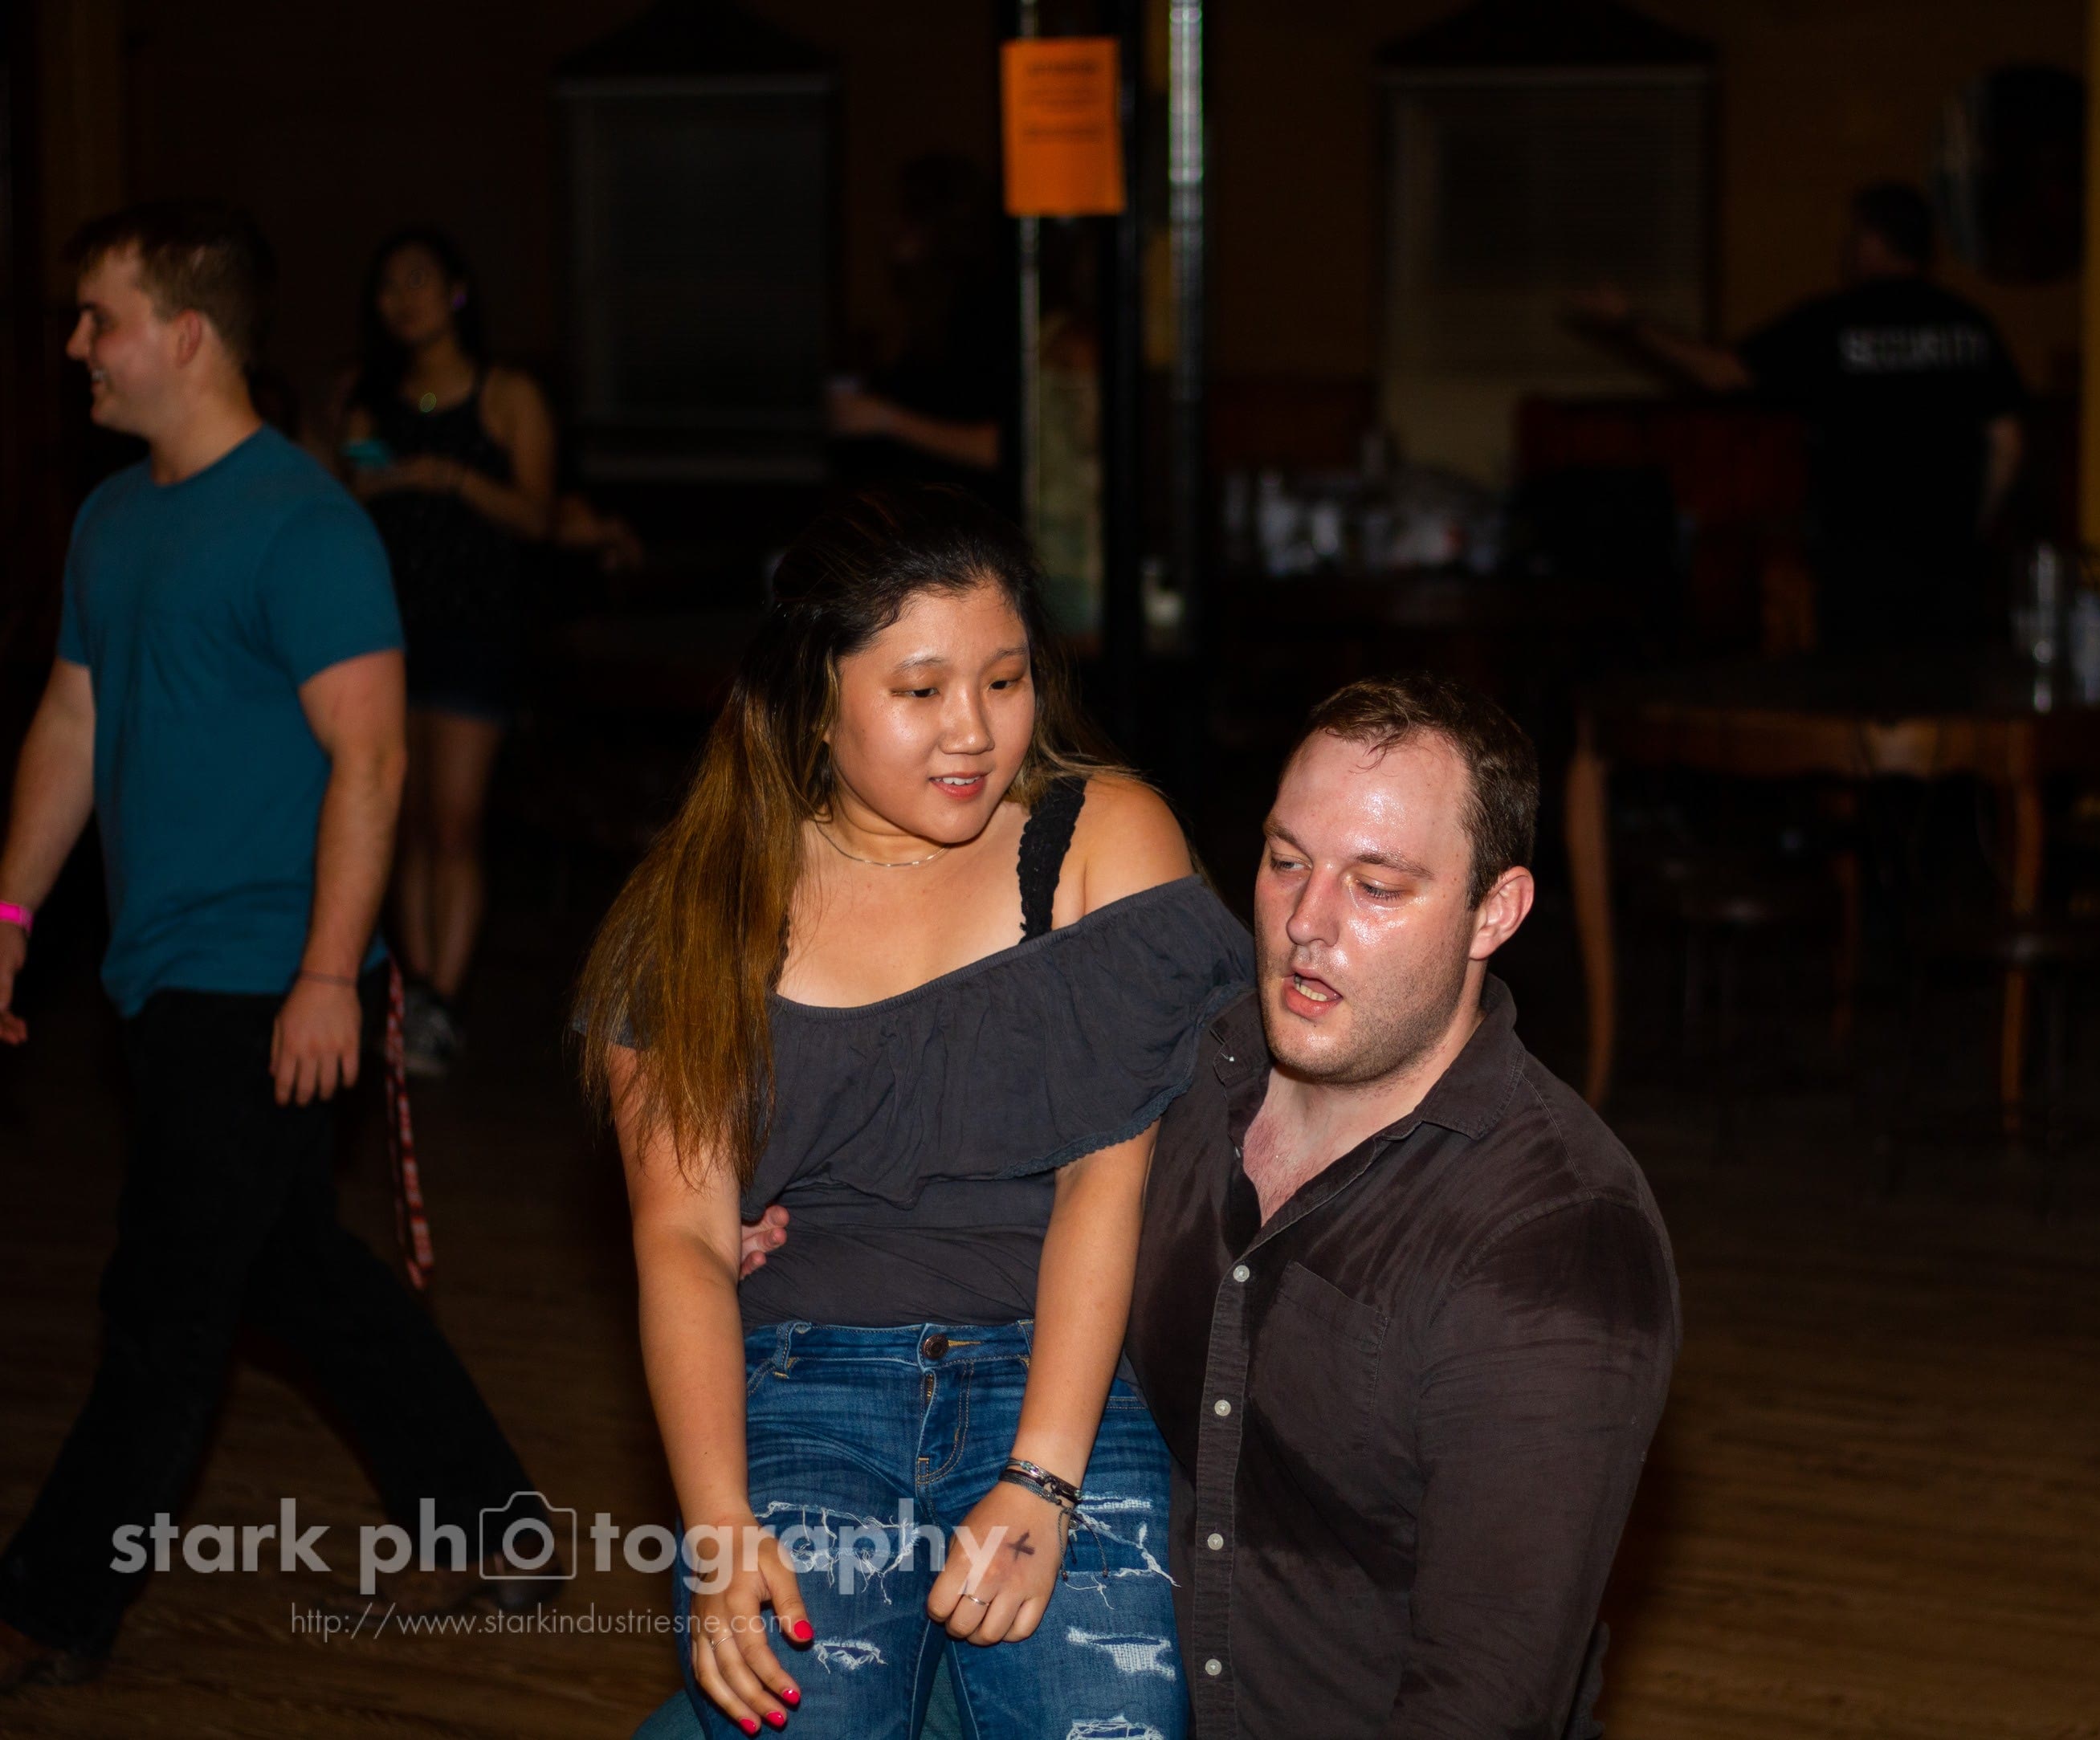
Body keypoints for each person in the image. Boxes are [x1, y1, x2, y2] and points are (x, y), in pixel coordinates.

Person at [579, 485, 1247, 1739]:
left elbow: (1105, 1183)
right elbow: (679, 1237)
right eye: (920, 688)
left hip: (1058, 1367)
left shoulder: (1098, 839)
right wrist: (718, 1524)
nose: (974, 730)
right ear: (812, 697)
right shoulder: (705, 901)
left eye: (1004, 679)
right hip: (799, 1380)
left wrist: (1040, 1476)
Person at [0, 200, 552, 1692]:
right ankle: (497, 1522)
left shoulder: (307, 526)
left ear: (185, 335)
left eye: (101, 318)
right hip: (155, 967)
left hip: (260, 973)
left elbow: (372, 762)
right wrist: (9, 914)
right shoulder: (113, 520)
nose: (78, 346)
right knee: (292, 1269)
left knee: (166, 1297)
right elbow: (72, 722)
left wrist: (325, 974)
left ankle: (51, 1597)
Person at [1131, 674, 1678, 1737]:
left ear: (1495, 911)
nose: (1306, 921)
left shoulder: (1556, 1237)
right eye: (1285, 860)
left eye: (1376, 886)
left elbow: (1486, 1697)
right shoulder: (1191, 1079)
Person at [1572, 181, 2027, 652]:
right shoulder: (1972, 327)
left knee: (1859, 689)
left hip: (1857, 569)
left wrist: (1630, 323)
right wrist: (1973, 528)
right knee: (1949, 689)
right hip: (1950, 569)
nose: (1846, 248)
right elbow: (2008, 444)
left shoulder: (1831, 323)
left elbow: (1722, 373)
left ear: (1872, 240)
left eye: (1852, 235)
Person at [338, 229, 557, 1075]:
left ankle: (443, 1001)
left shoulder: (507, 394)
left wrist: (446, 477)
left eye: (419, 280)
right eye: (389, 285)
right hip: (388, 632)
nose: (404, 299)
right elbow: (350, 495)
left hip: (478, 629)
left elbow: (537, 515)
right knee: (402, 820)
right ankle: (418, 991)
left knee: (456, 820)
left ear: (458, 290)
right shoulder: (372, 400)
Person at [824, 154, 1015, 519]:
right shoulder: (931, 309)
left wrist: (883, 418)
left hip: (967, 525)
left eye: (904, 216)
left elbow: (1001, 446)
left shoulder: (982, 312)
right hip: (931, 520)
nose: (887, 228)